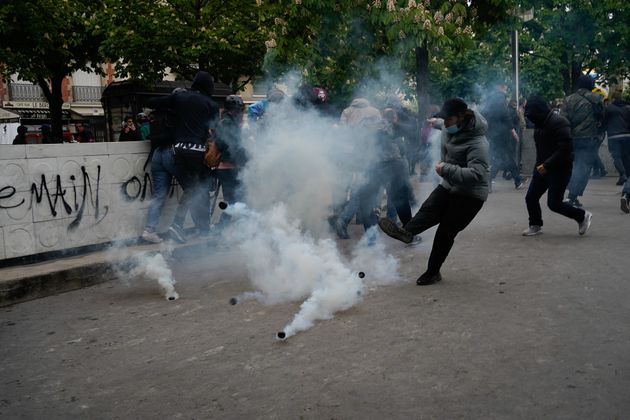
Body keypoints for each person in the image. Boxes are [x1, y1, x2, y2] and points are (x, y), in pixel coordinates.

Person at [378, 98, 489, 285]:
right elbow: (444, 126)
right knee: (429, 208)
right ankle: (406, 232)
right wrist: (435, 122)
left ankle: (433, 272)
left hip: (470, 195)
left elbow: (477, 174)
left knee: (445, 231)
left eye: (448, 120)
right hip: (449, 185)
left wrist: (446, 169)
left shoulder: (478, 143)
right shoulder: (450, 126)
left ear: (461, 117)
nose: (445, 124)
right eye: (443, 120)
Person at [147, 71, 220, 243]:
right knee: (195, 189)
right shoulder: (211, 104)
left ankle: (198, 228)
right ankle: (178, 225)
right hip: (197, 151)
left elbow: (152, 103)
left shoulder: (180, 97)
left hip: (177, 150)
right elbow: (215, 131)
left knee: (194, 188)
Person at [521, 96, 592, 236]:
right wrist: (539, 165)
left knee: (554, 204)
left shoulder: (559, 122)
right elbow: (541, 148)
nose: (530, 118)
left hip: (560, 169)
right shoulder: (540, 123)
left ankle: (582, 216)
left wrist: (547, 164)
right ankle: (535, 224)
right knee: (531, 197)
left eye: (531, 114)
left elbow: (565, 148)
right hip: (541, 168)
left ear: (539, 111)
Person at [329, 97, 382, 239]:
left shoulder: (347, 111)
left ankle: (367, 230)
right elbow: (380, 134)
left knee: (357, 190)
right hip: (367, 157)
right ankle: (346, 221)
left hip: (349, 156)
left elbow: (342, 133)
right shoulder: (374, 112)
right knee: (362, 192)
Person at [563, 74, 604, 207]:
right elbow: (602, 117)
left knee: (572, 166)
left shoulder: (568, 99)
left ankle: (570, 195)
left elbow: (563, 120)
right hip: (589, 138)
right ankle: (572, 196)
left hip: (571, 138)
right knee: (583, 168)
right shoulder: (597, 98)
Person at [483, 83, 526, 189]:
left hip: (493, 133)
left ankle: (515, 179)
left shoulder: (490, 99)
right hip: (501, 133)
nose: (506, 89)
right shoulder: (500, 98)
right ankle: (516, 179)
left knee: (500, 157)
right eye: (505, 87)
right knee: (505, 157)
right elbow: (505, 116)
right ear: (501, 87)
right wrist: (513, 131)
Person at [214, 95, 248, 227]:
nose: (241, 113)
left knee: (233, 200)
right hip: (229, 167)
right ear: (233, 110)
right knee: (238, 199)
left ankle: (224, 227)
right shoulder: (228, 123)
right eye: (240, 110)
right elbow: (230, 147)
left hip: (227, 168)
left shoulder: (225, 122)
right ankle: (223, 227)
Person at [602, 91, 630, 213]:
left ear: (613, 98)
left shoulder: (609, 108)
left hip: (614, 136)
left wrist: (601, 131)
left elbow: (603, 122)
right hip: (627, 136)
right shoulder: (628, 108)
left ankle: (622, 174)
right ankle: (626, 181)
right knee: (627, 159)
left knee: (616, 157)